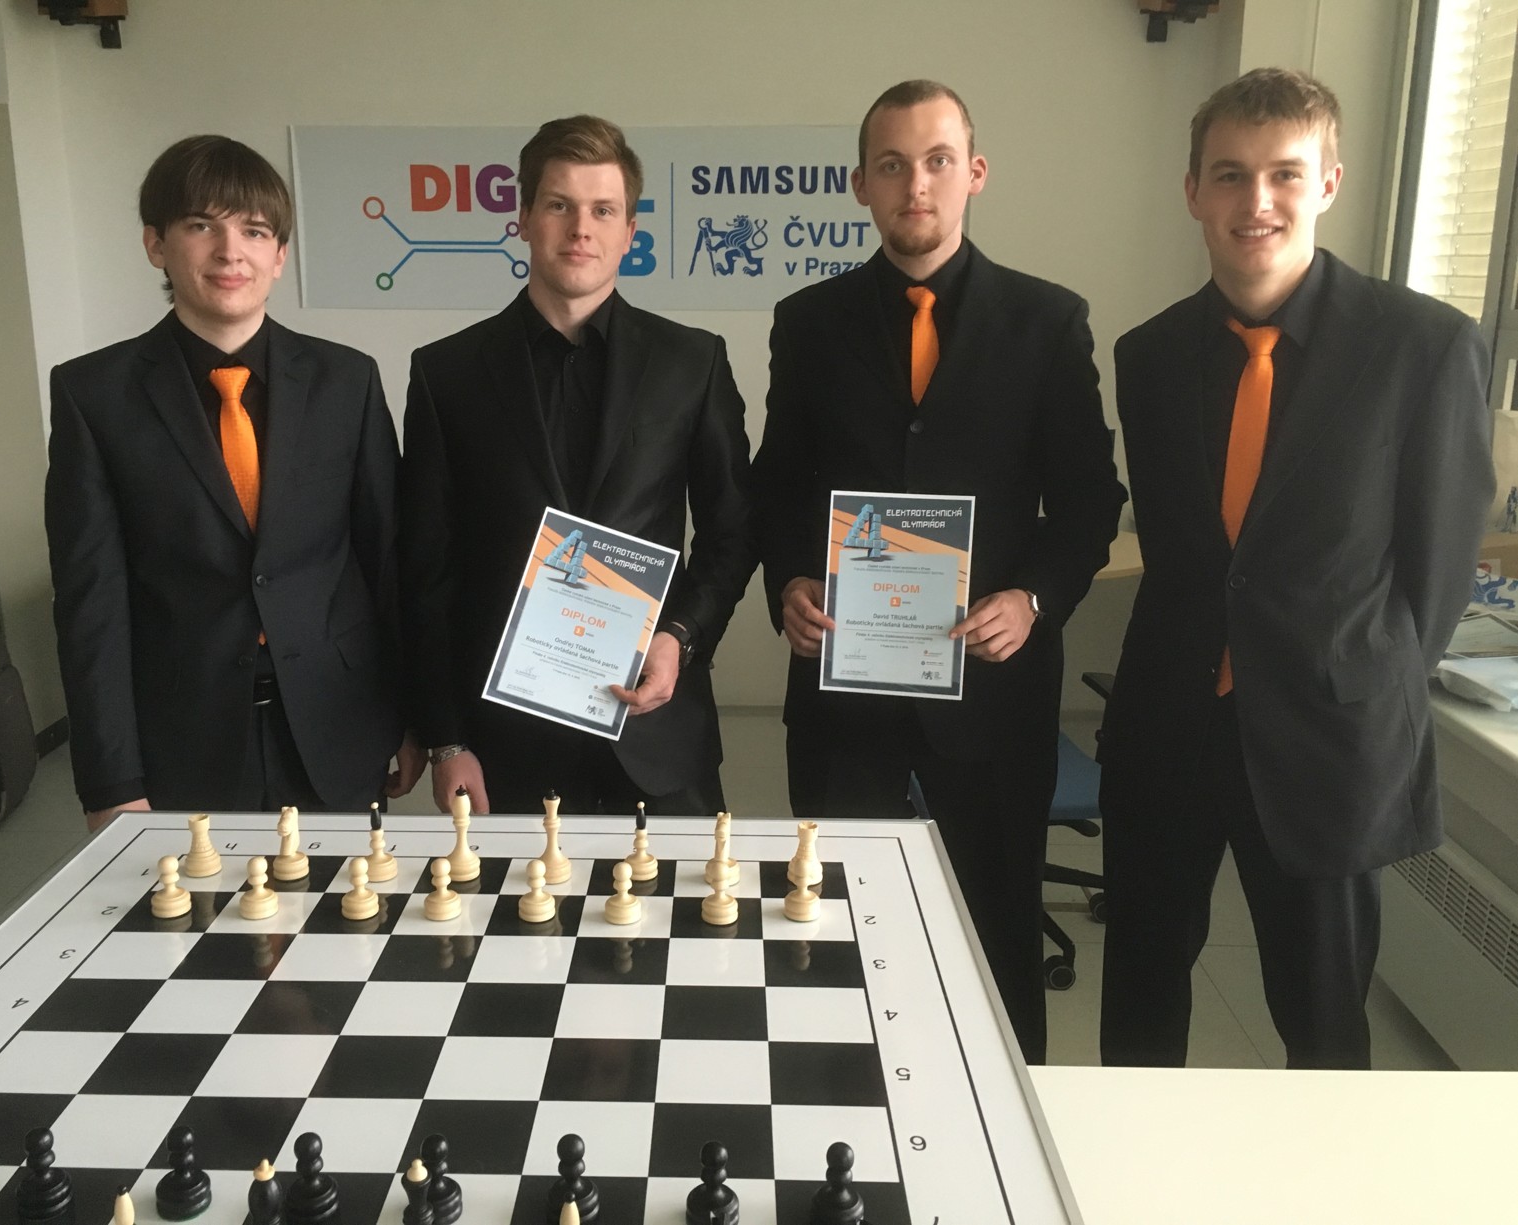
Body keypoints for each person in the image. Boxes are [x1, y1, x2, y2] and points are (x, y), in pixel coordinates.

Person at [1099, 68, 1495, 1069]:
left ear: (1327, 183)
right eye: (1230, 175)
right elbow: (1187, 555)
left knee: (1320, 1024)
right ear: (1192, 190)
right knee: (1139, 1000)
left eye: (1283, 172)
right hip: (1168, 727)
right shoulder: (1148, 356)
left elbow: (1437, 570)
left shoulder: (1423, 347)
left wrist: (1351, 675)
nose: (1257, 200)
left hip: (1327, 739)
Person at [750, 80, 1126, 1063]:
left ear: (974, 173)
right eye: (891, 165)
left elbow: (1089, 499)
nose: (914, 183)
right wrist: (789, 579)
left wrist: (1033, 599)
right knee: (836, 930)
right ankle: (841, 1104)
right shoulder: (808, 321)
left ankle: (1002, 1114)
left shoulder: (1045, 321)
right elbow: (778, 482)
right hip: (843, 692)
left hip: (990, 690)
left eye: (936, 160)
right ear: (860, 185)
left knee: (996, 937)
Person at [46, 135, 421, 831]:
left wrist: (410, 716)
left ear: (279, 255)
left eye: (254, 230)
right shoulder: (94, 394)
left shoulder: (346, 381)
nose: (230, 251)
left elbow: (385, 561)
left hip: (339, 725)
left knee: (347, 901)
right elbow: (90, 602)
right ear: (155, 244)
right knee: (199, 906)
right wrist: (110, 778)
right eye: (201, 225)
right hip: (180, 742)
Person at [400, 115, 755, 816]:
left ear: (630, 231)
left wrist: (681, 637)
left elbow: (734, 531)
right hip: (503, 747)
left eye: (603, 210)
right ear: (524, 218)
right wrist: (445, 739)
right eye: (559, 205)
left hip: (655, 735)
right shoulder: (447, 373)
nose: (580, 229)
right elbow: (425, 568)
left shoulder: (692, 362)